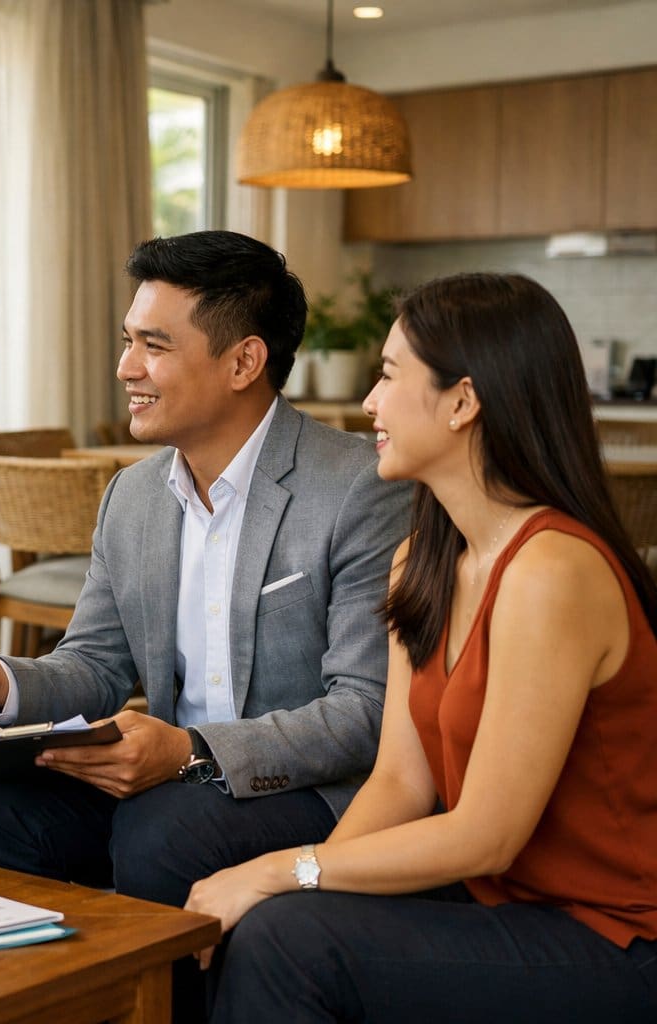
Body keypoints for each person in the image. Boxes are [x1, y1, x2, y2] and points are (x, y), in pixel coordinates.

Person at [0, 229, 409, 1015]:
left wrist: (192, 752)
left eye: (153, 346)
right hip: (165, 773)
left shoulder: (360, 487)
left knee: (167, 829)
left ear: (243, 362)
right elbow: (94, 663)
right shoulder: (131, 497)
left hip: (307, 789)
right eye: (128, 342)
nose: (126, 368)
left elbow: (365, 711)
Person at [187, 273, 657, 1022]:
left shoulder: (552, 572)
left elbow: (487, 837)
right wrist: (295, 882)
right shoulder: (424, 557)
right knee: (270, 922)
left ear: (463, 402)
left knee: (287, 936)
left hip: (613, 935)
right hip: (501, 903)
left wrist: (283, 873)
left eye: (390, 375)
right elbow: (402, 782)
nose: (370, 402)